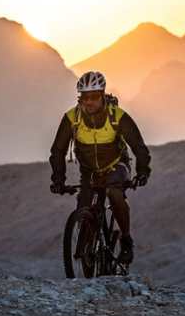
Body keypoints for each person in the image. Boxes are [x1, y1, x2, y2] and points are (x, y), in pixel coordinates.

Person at [49, 71, 151, 264]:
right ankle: (88, 248)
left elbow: (138, 146)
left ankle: (126, 239)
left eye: (94, 96)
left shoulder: (117, 116)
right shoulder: (72, 118)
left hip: (116, 164)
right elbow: (57, 151)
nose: (89, 102)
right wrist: (58, 181)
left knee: (114, 193)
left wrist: (142, 172)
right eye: (84, 97)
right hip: (89, 170)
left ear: (102, 95)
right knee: (85, 206)